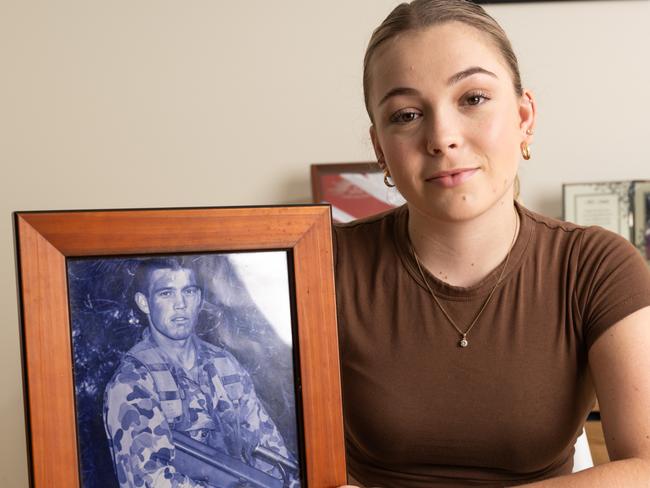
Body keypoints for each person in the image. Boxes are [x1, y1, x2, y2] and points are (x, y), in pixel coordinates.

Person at [334, 1, 650, 486]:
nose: (442, 137)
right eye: (408, 114)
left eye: (473, 98)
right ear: (380, 147)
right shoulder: (323, 265)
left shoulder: (597, 267)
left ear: (525, 116)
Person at [103, 257, 298, 488]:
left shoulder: (225, 365)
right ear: (144, 303)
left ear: (199, 299)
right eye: (166, 293)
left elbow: (271, 454)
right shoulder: (131, 383)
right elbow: (149, 480)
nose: (180, 304)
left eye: (189, 291)